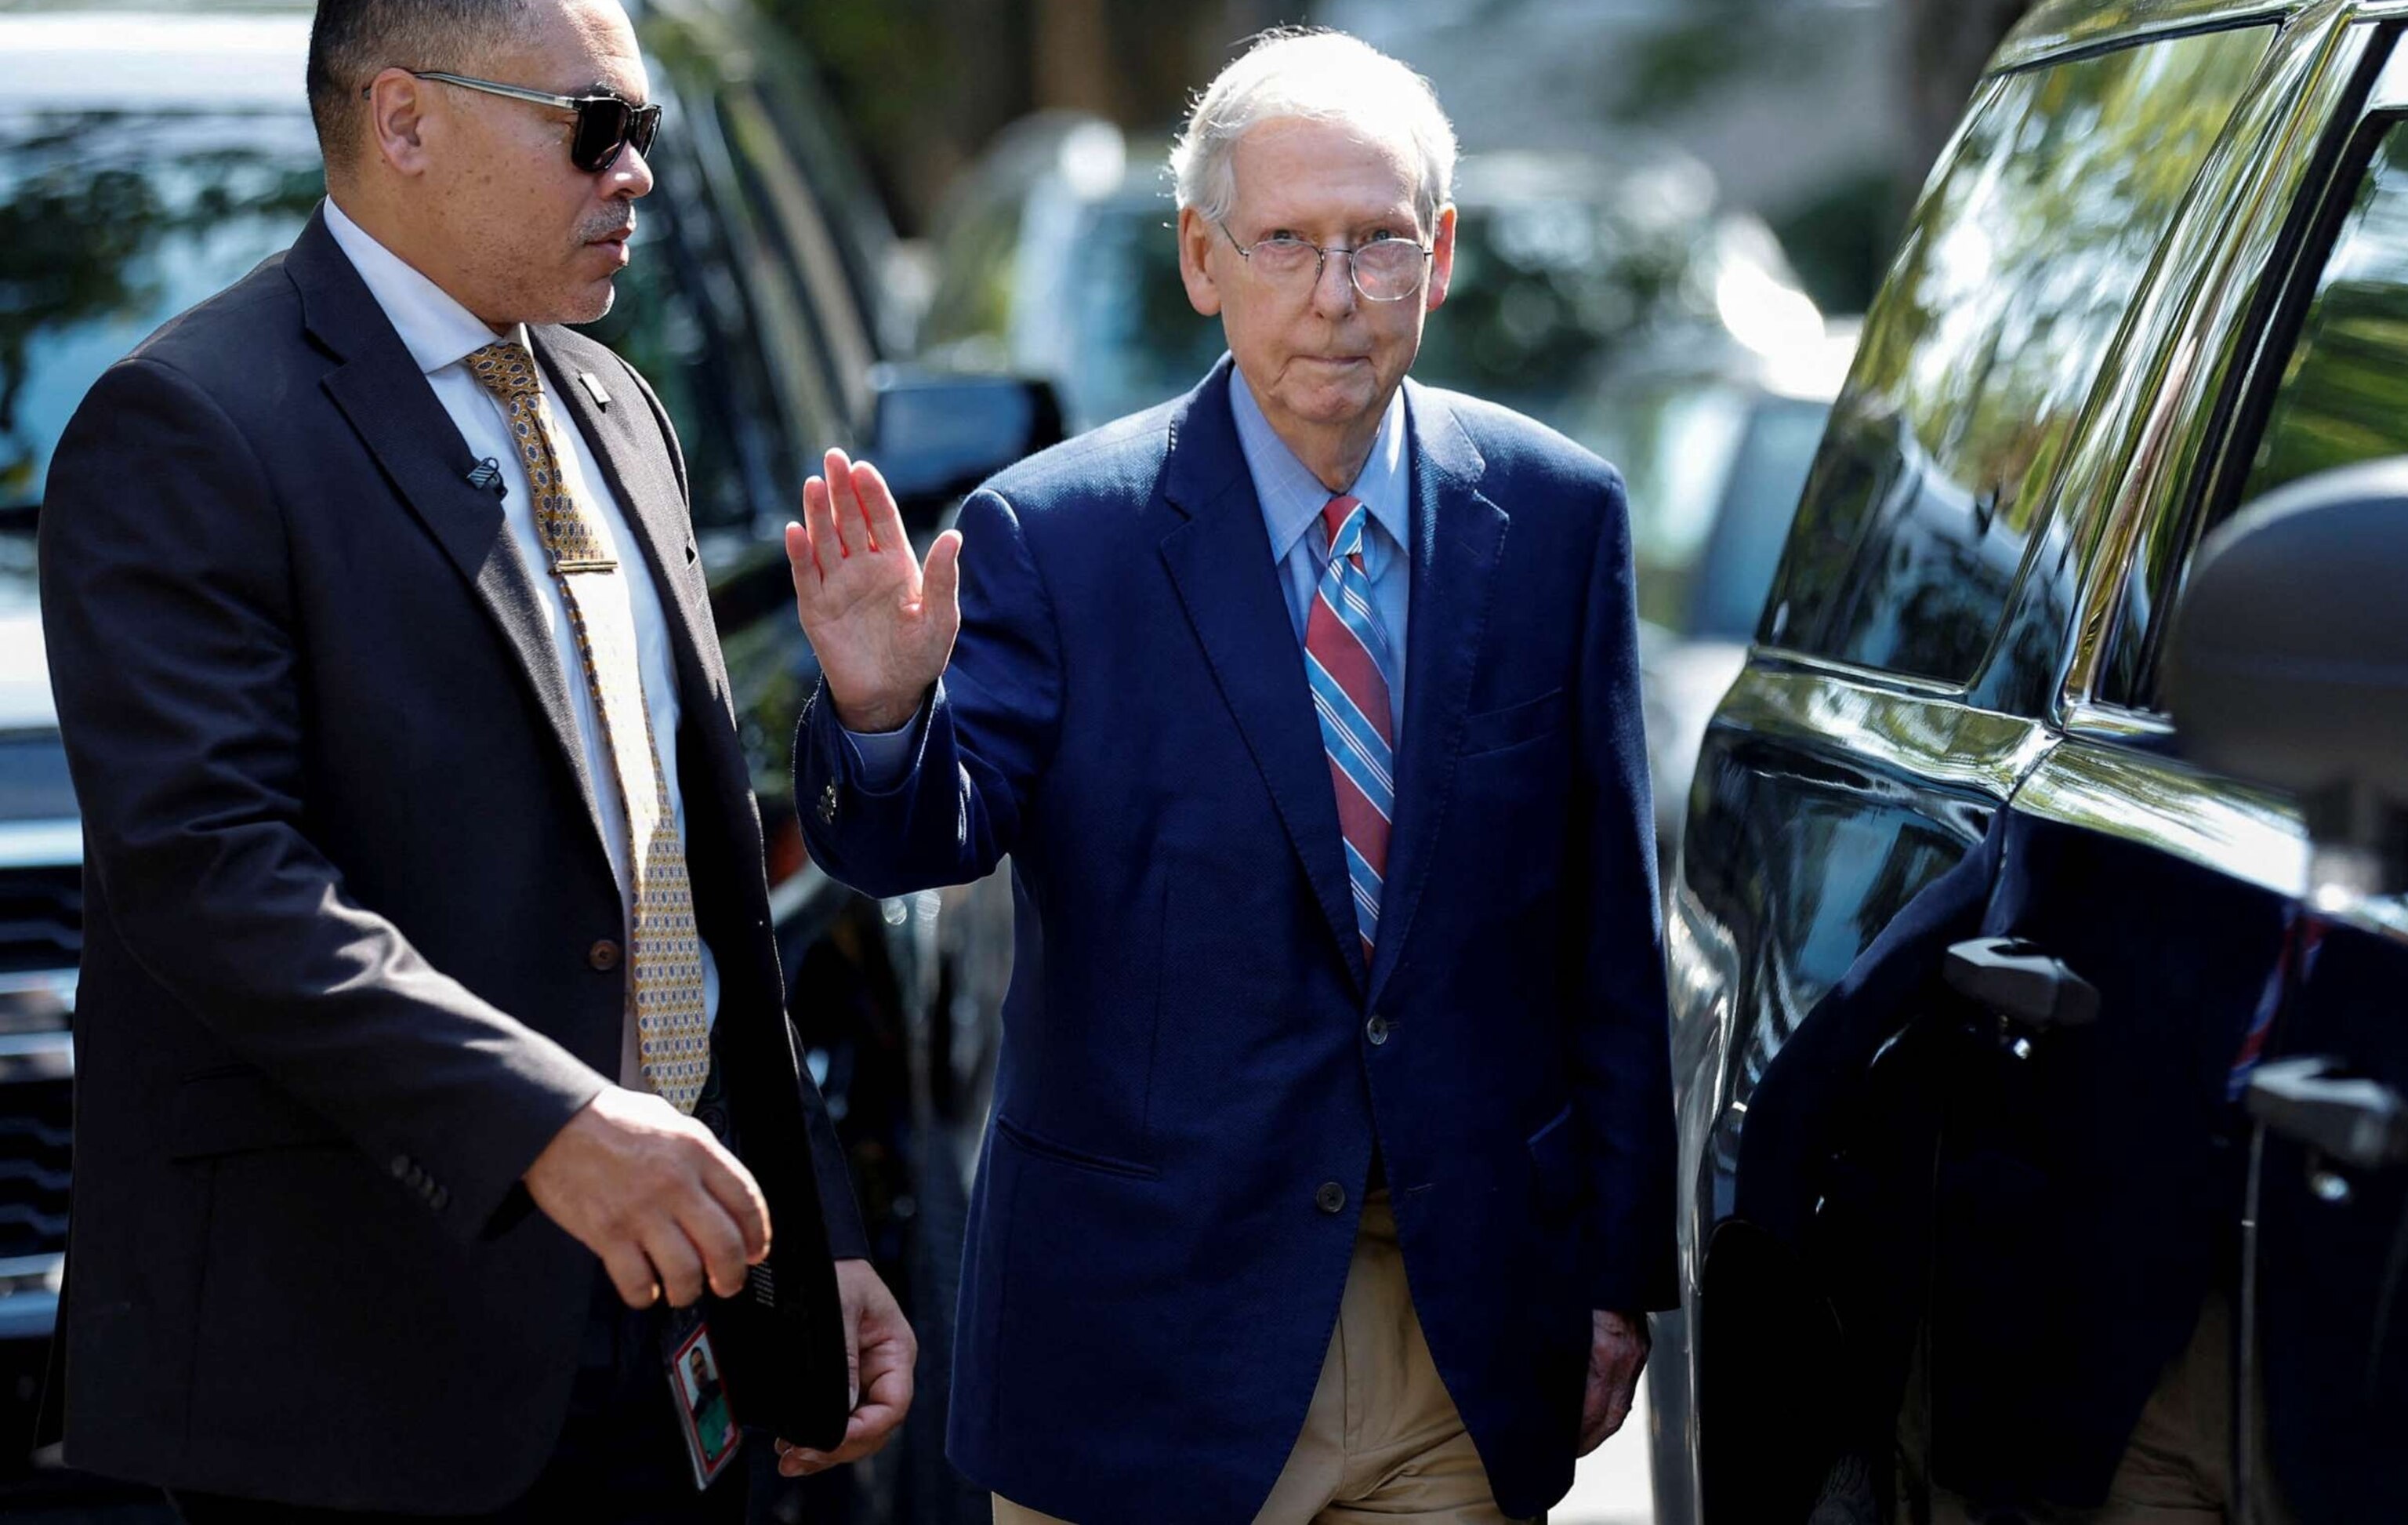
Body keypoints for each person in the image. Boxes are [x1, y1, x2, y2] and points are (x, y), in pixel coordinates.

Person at [787, 27, 1676, 1525]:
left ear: (1439, 254)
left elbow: (1607, 928)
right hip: (1149, 1340)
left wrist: (1619, 1274)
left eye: (1377, 243)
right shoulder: (1053, 535)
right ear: (1203, 259)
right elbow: (927, 837)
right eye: (1285, 243)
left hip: (1451, 1327)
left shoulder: (1555, 516)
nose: (1336, 294)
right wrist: (881, 709)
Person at [37, 0, 911, 1516]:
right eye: (597, 127)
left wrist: (811, 1224)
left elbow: (687, 882)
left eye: (644, 132)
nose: (632, 173)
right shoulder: (189, 424)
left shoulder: (616, 408)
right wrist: (546, 1125)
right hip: (370, 1374)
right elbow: (209, 873)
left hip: (678, 1326)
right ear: (405, 122)